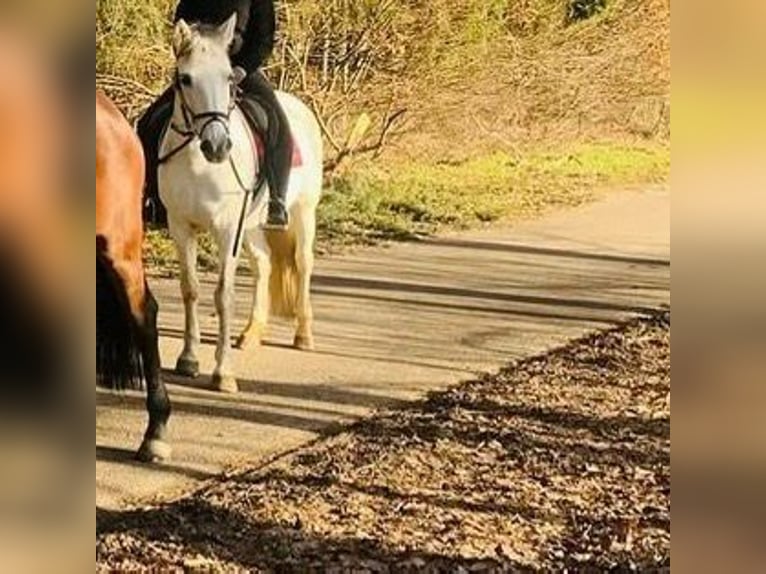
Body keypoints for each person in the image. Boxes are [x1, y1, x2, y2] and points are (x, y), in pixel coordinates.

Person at [137, 0, 292, 230]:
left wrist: (241, 69)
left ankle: (276, 200)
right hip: (199, 72)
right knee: (149, 122)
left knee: (277, 124)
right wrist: (190, 56)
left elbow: (263, 41)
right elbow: (181, 29)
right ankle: (153, 199)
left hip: (239, 70)